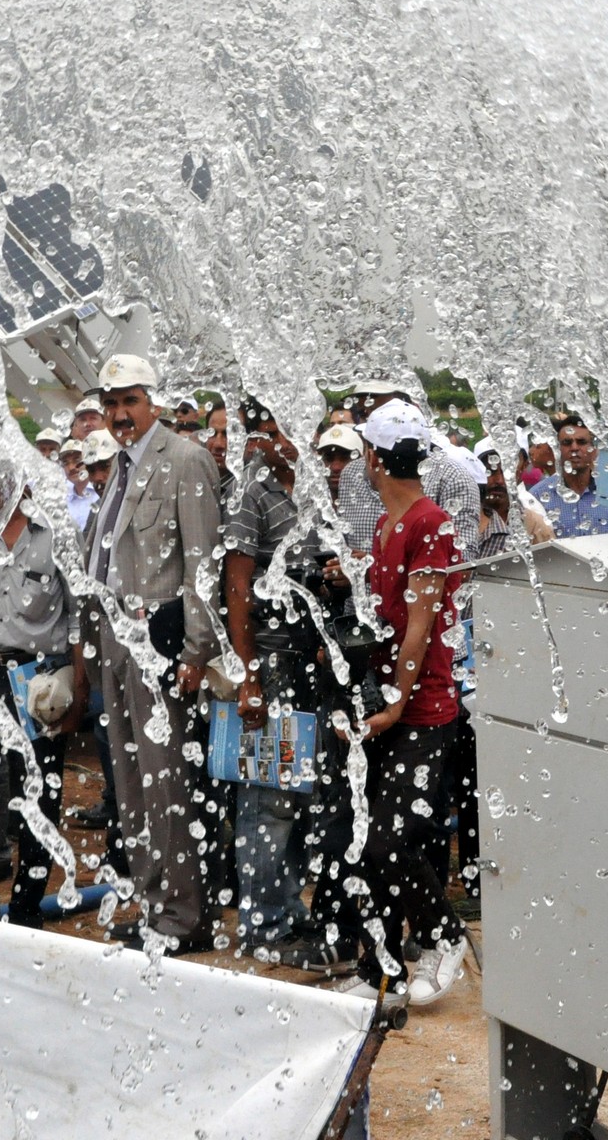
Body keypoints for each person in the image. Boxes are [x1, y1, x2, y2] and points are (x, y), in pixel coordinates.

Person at [83, 352, 222, 952]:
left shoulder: (185, 459)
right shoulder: (117, 466)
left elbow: (203, 566)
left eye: (129, 401)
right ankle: (152, 902)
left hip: (161, 640)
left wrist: (196, 650)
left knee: (167, 784)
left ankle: (183, 916)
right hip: (117, 640)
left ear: (154, 403)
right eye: (111, 403)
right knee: (131, 780)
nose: (120, 413)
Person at [341, 398, 469, 1007]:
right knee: (377, 845)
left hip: (424, 712)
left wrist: (394, 702)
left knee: (392, 844)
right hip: (390, 706)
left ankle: (447, 936)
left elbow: (420, 625)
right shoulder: (388, 527)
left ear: (372, 457)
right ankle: (380, 971)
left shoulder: (429, 523)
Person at [223, 399, 323, 957]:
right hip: (271, 664)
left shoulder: (308, 488)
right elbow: (236, 589)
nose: (281, 438)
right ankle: (264, 927)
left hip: (308, 662)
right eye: (271, 427)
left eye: (290, 426)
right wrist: (249, 676)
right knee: (266, 801)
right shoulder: (251, 491)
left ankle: (287, 909)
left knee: (296, 797)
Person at [0, 480, 76, 925]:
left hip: (38, 677)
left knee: (38, 796)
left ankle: (26, 909)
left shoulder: (55, 532)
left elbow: (79, 615)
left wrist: (75, 685)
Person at [336, 382, 481, 561]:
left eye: (384, 410)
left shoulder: (453, 478)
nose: (375, 419)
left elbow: (463, 563)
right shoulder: (351, 474)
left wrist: (372, 568)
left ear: (413, 409)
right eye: (364, 413)